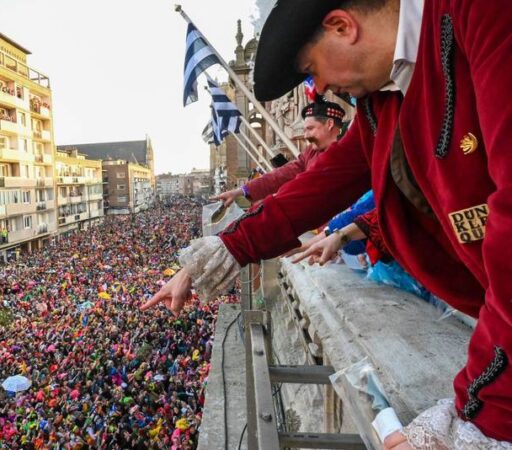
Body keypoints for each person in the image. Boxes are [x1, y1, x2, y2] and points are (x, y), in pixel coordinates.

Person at [143, 0, 512, 446]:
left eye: (311, 71)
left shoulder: (484, 15)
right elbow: (321, 181)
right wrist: (230, 247)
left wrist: (486, 414)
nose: (319, 88)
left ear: (342, 26)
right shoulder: (385, 98)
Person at [212, 98, 346, 206]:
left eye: (310, 129)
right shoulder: (311, 152)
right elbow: (280, 175)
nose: (305, 136)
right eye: (304, 130)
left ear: (329, 124)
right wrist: (241, 191)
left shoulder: (351, 149)